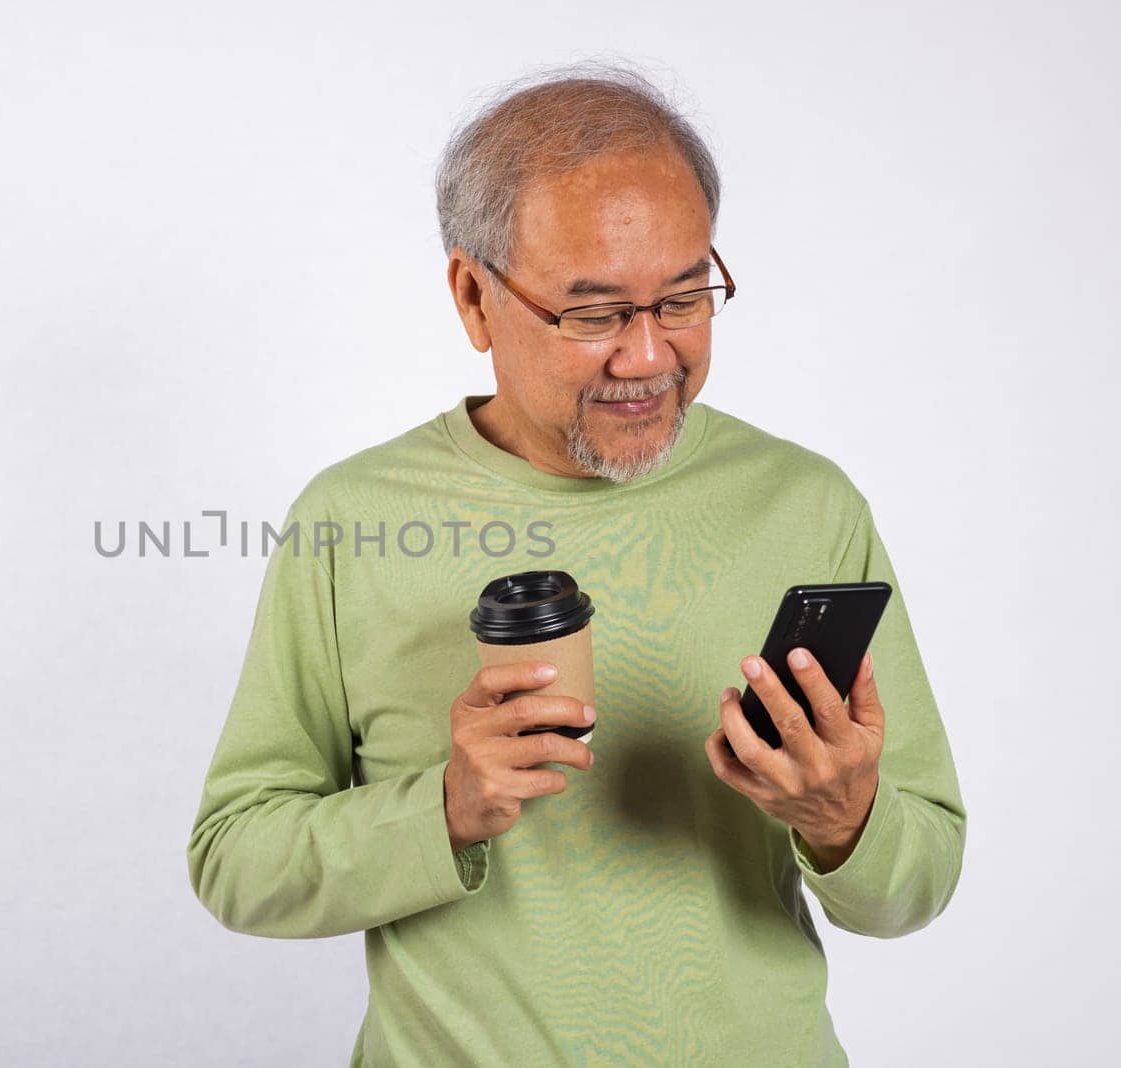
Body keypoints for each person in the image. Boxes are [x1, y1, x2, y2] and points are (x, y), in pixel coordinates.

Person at [185, 62, 965, 1066]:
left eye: (684, 298)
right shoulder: (350, 521)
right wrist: (445, 810)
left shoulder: (804, 506)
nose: (646, 356)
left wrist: (843, 817)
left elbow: (922, 878)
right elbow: (235, 863)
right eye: (592, 314)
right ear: (473, 297)